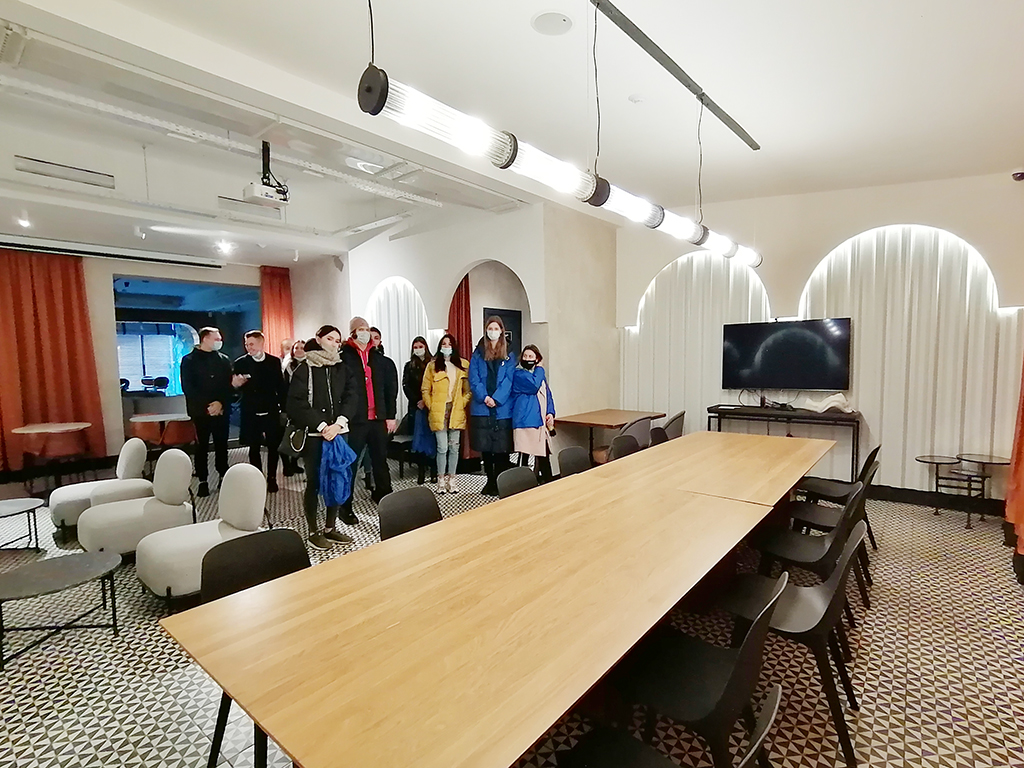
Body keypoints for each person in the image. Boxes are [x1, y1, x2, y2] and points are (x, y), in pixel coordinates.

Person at [286, 325, 355, 550]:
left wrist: (339, 423)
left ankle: (330, 527)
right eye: (329, 338)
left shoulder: (342, 367)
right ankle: (313, 531)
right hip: (315, 435)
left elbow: (352, 396)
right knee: (314, 482)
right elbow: (296, 403)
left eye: (337, 340)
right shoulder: (304, 368)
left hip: (339, 432)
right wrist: (323, 425)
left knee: (337, 479)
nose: (334, 343)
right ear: (318, 339)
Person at [339, 317, 398, 519]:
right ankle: (345, 506)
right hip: (355, 420)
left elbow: (390, 391)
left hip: (378, 418)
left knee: (380, 460)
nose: (364, 332)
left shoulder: (379, 359)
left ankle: (384, 495)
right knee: (351, 463)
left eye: (366, 328)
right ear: (353, 332)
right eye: (360, 329)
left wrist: (391, 416)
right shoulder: (344, 358)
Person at [181, 327, 232, 497]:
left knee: (221, 445)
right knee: (201, 446)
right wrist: (207, 406)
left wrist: (220, 403)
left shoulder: (224, 360)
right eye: (216, 339)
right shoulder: (189, 360)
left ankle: (223, 475)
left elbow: (227, 386)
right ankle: (203, 480)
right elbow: (188, 387)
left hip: (221, 410)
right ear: (205, 339)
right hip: (200, 411)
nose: (219, 342)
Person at [232, 330, 285, 492]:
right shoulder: (240, 363)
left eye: (252, 344)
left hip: (270, 409)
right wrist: (235, 385)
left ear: (262, 343)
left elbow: (280, 387)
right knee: (253, 446)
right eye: (246, 344)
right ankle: (257, 478)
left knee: (273, 446)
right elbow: (234, 390)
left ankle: (272, 478)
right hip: (250, 410)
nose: (249, 347)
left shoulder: (274, 362)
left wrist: (283, 409)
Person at [468, 316, 516, 496]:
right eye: (490, 328)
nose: (493, 331)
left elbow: (509, 380)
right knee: (486, 448)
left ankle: (501, 481)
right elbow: (474, 379)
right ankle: (490, 481)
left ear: (502, 330)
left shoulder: (510, 353)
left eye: (496, 328)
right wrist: (485, 397)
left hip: (502, 409)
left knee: (502, 448)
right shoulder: (478, 353)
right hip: (482, 408)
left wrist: (496, 398)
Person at [422, 334, 471, 494]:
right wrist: (431, 405)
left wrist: (462, 402)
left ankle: (452, 479)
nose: (447, 346)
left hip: (456, 409)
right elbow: (425, 389)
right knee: (442, 447)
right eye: (444, 344)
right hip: (439, 410)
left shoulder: (463, 365)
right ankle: (441, 480)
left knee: (454, 448)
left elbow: (468, 390)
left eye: (449, 344)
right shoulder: (432, 366)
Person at [512, 344, 556, 483]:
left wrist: (550, 412)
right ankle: (521, 485)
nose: (527, 359)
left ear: (537, 359)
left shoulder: (539, 375)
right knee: (524, 457)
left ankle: (548, 483)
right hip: (525, 420)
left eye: (531, 356)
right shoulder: (518, 374)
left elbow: (547, 395)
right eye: (525, 356)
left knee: (543, 455)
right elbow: (534, 386)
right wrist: (540, 368)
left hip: (540, 421)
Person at [403, 336, 437, 485]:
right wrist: (418, 400)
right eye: (415, 347)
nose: (418, 350)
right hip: (417, 407)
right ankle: (421, 472)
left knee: (434, 439)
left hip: (432, 406)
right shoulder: (409, 365)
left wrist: (426, 400)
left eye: (420, 346)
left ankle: (434, 471)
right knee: (420, 440)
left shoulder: (434, 363)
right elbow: (406, 386)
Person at [281, 339, 306, 477]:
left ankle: (294, 462)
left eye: (302, 348)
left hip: (304, 406)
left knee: (300, 436)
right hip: (289, 405)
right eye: (297, 348)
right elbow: (284, 388)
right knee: (287, 434)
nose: (299, 350)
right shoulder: (288, 367)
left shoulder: (311, 365)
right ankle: (286, 465)